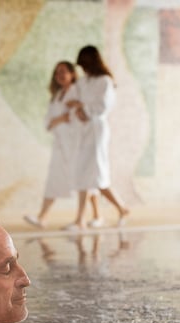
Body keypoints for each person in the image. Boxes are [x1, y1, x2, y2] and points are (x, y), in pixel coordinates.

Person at [24, 61, 103, 230]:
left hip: (78, 143)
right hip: (61, 145)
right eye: (57, 73)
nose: (59, 75)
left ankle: (93, 216)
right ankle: (42, 217)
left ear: (72, 74)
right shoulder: (57, 95)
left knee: (85, 179)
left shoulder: (78, 92)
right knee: (55, 179)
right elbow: (48, 122)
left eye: (63, 72)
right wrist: (58, 120)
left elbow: (78, 116)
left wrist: (59, 120)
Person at [66, 45, 129, 229]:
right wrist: (78, 108)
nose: (82, 68)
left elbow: (102, 106)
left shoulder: (105, 81)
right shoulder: (83, 82)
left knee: (97, 175)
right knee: (84, 174)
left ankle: (120, 209)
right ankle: (83, 218)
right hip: (83, 131)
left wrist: (82, 108)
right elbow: (73, 102)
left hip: (96, 130)